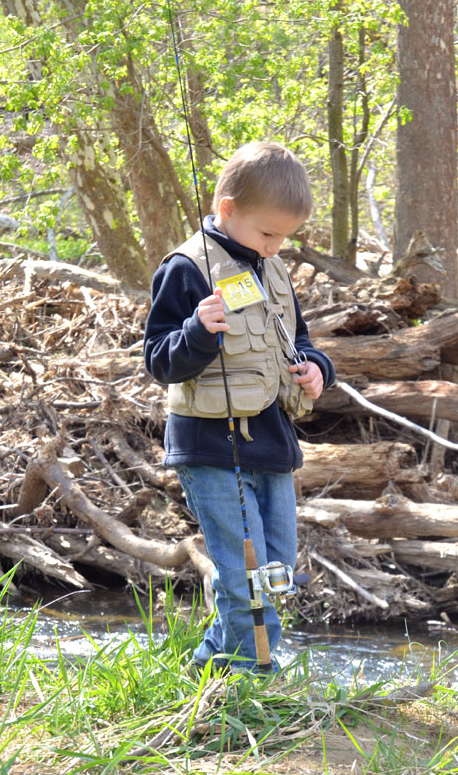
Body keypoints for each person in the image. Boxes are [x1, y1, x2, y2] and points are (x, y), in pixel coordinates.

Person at [144, 141, 336, 672]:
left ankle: (209, 665)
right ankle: (256, 673)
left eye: (285, 238)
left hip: (272, 443)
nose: (276, 248)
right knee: (245, 573)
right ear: (227, 210)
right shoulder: (185, 269)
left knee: (276, 568)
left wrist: (318, 370)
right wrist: (197, 332)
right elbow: (159, 360)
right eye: (268, 234)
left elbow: (301, 340)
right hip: (211, 447)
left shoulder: (273, 270)